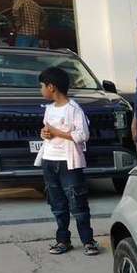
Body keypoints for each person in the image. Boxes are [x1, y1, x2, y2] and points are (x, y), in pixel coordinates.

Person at [35, 66, 98, 256]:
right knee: (57, 204)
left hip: (68, 162)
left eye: (42, 86)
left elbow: (83, 135)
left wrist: (57, 132)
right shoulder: (49, 109)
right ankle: (63, 240)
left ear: (51, 87)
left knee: (77, 202)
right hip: (49, 159)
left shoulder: (73, 109)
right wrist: (45, 133)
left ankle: (88, 240)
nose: (41, 90)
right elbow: (47, 131)